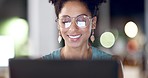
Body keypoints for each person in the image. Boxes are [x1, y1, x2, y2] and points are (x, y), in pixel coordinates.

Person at [42, 0, 124, 78]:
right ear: (59, 25)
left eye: (81, 21)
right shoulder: (42, 65)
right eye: (65, 21)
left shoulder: (111, 65)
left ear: (93, 23)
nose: (73, 29)